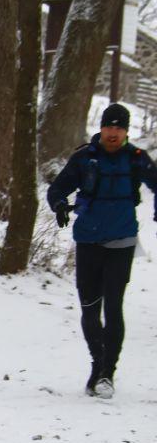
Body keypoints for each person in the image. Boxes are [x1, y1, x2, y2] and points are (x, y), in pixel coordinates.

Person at [47, 103, 157, 399]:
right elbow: (57, 188)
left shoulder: (136, 158)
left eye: (119, 128)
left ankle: (108, 373)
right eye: (109, 127)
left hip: (122, 241)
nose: (113, 133)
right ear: (102, 128)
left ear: (126, 132)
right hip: (88, 241)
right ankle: (98, 364)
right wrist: (59, 205)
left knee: (114, 307)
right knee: (89, 309)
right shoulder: (84, 158)